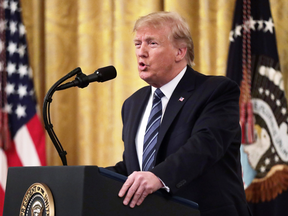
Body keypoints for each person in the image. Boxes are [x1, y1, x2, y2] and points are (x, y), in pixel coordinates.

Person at [107, 11, 252, 216]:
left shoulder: (215, 90)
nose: (141, 52)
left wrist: (158, 177)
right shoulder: (133, 104)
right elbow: (135, 166)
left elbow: (204, 145)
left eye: (152, 43)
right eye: (138, 44)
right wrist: (89, 177)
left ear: (180, 52)